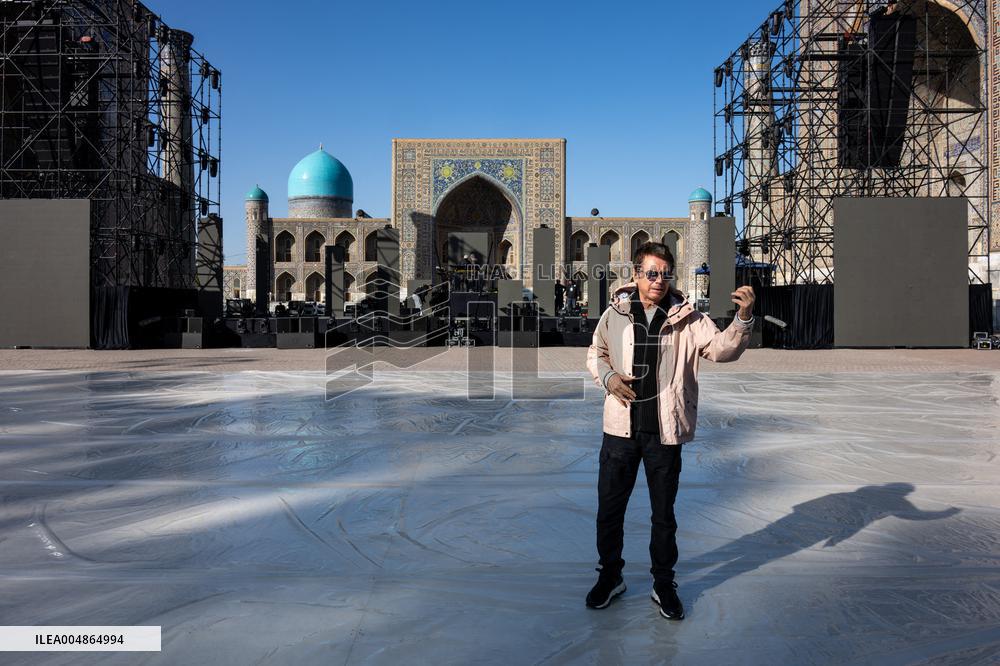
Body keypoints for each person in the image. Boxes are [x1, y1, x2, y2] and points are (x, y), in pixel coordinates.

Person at [584, 241, 755, 620]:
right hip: (620, 429)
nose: (657, 280)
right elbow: (596, 353)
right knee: (610, 510)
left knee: (663, 515)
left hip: (664, 431)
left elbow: (721, 350)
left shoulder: (689, 318)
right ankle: (610, 576)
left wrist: (742, 319)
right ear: (635, 275)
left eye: (664, 274)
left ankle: (664, 584)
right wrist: (609, 377)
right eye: (650, 273)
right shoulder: (615, 314)